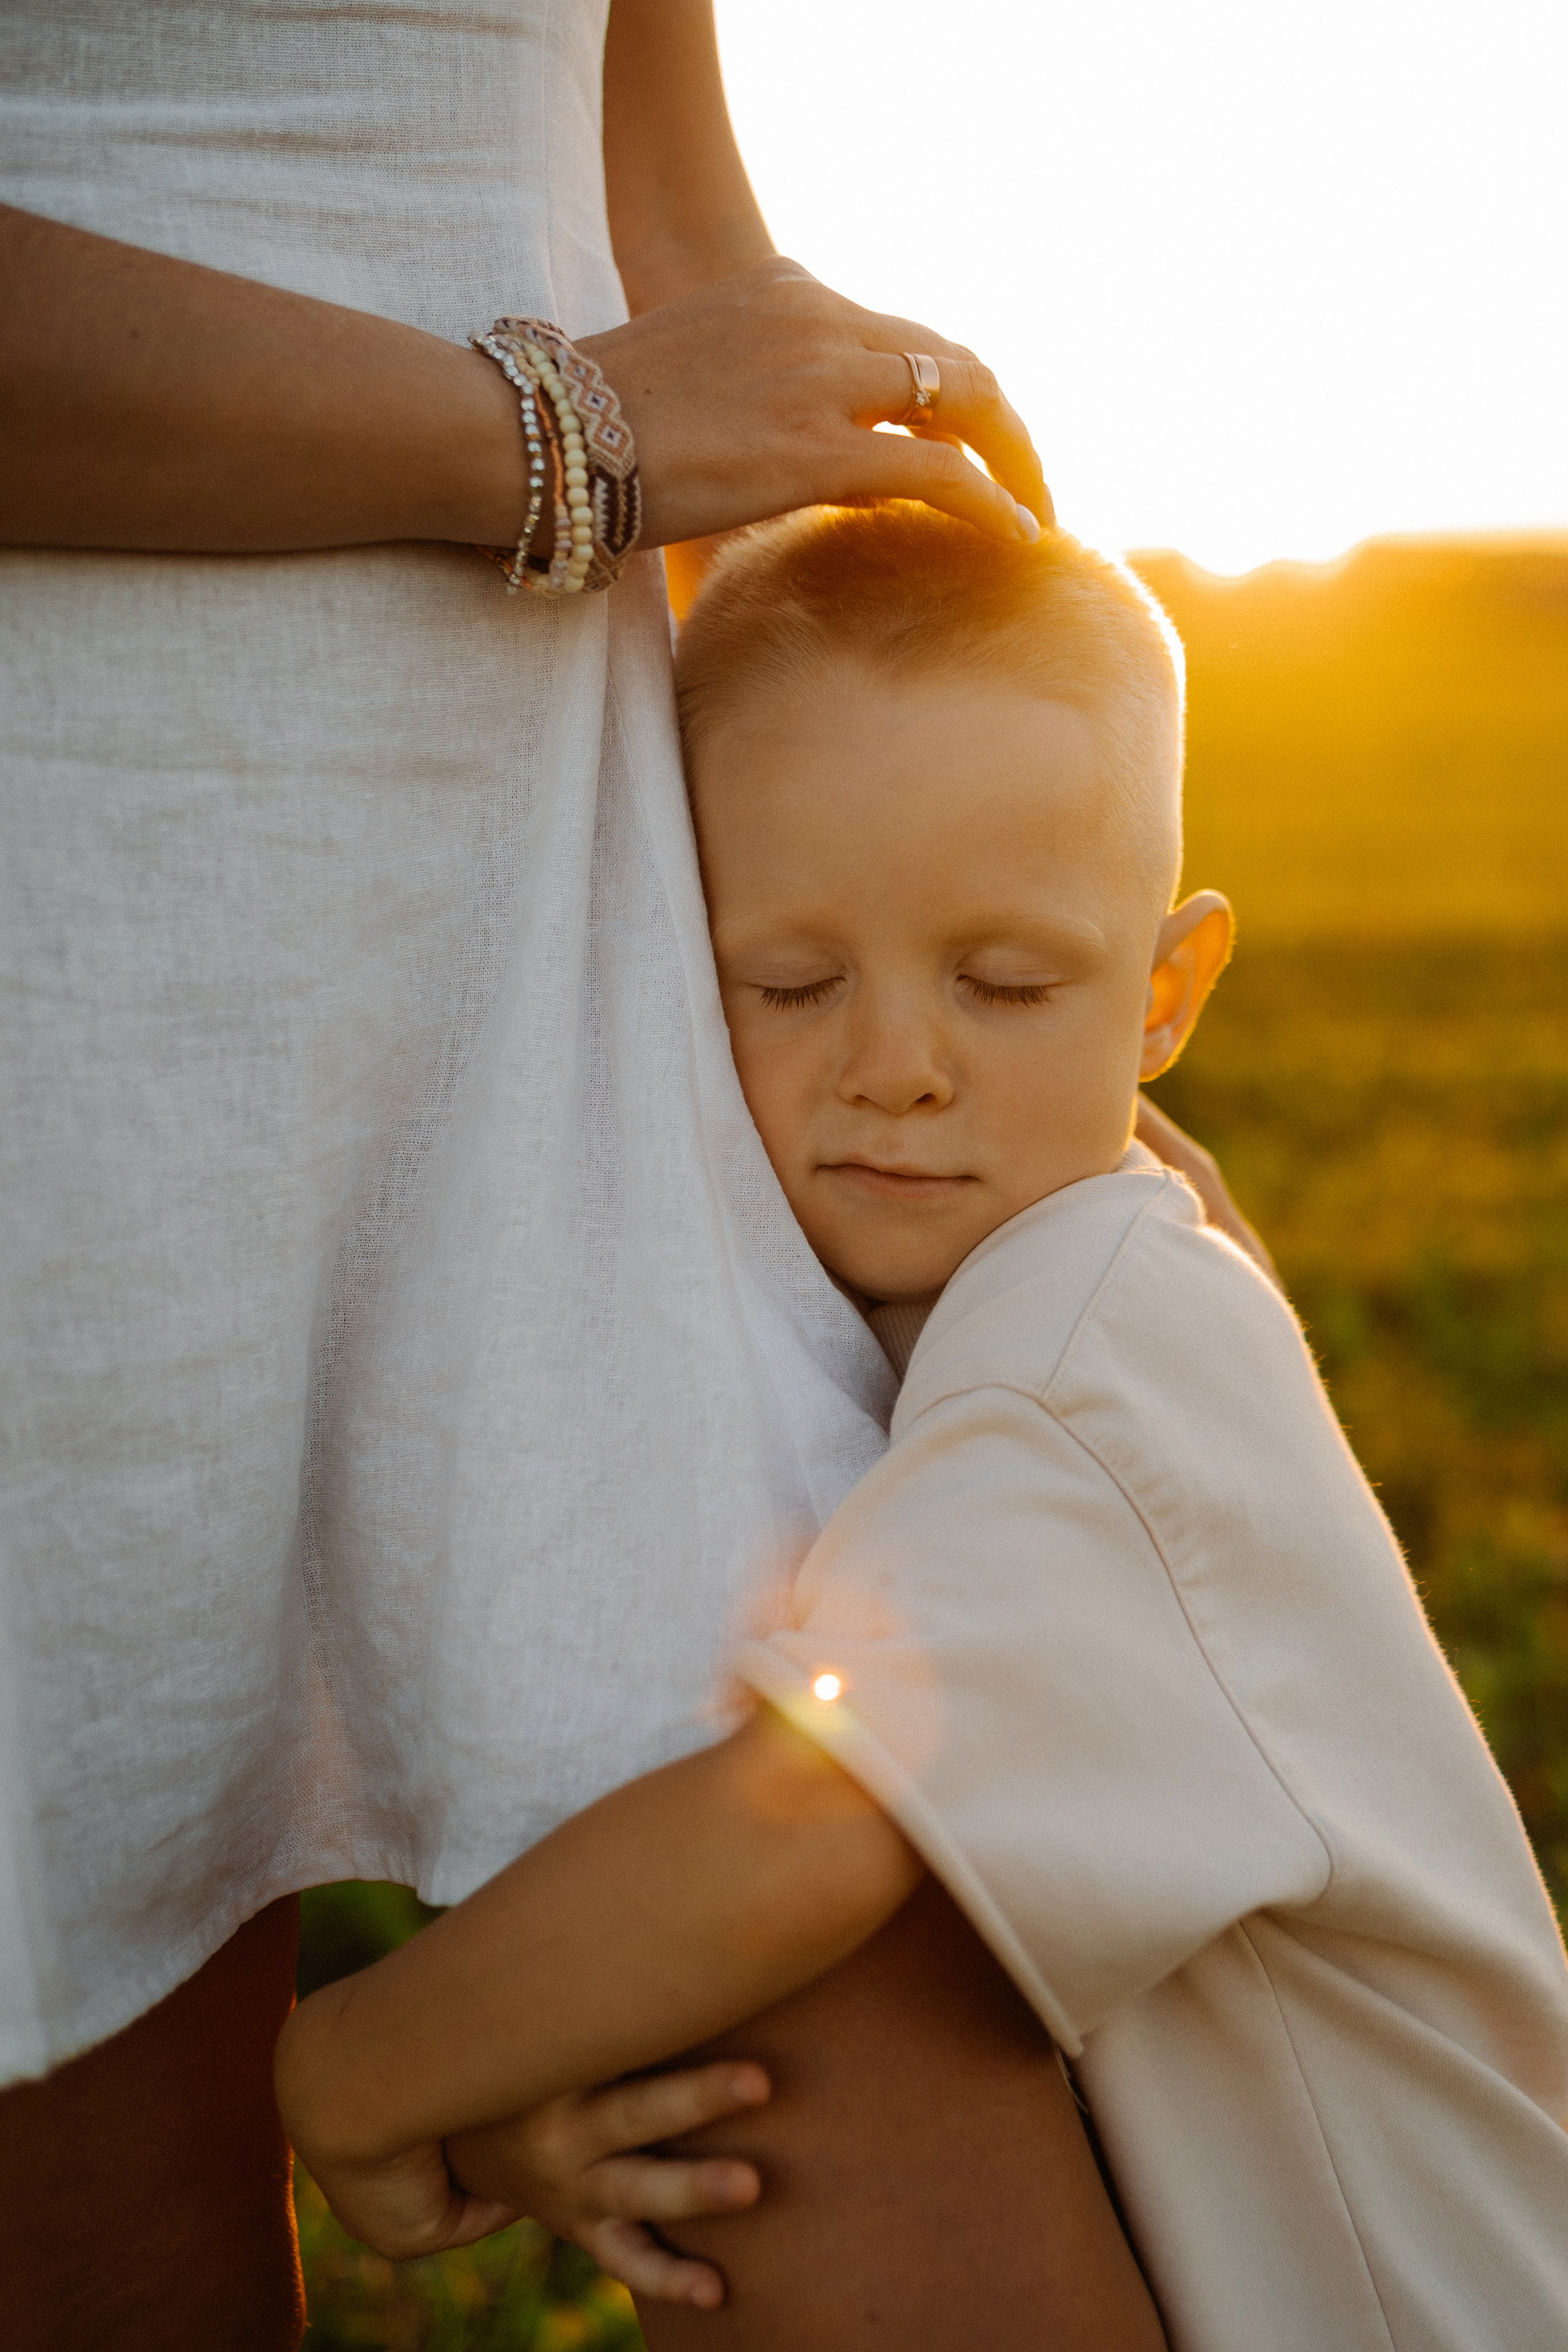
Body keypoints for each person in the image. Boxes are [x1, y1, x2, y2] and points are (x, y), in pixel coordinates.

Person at [0, 6, 1077, 2345]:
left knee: (852, 1883)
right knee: (92, 2117)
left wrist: (932, 883)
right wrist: (561, 432)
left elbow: (634, 143)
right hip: (66, 902)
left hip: (579, 879)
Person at [277, 508, 1568, 2351]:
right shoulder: (1046, 1297)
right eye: (791, 981)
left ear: (1167, 995)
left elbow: (808, 1828)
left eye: (1011, 983)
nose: (899, 1062)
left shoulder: (1088, 1352)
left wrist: (361, 2069)